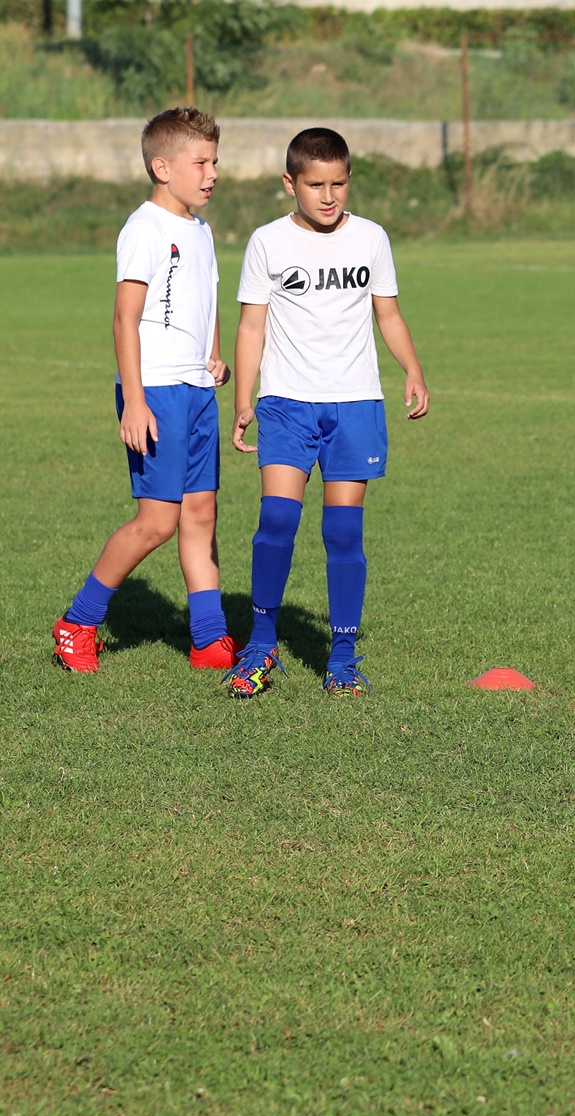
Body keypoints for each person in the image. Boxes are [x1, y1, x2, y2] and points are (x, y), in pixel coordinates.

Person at [225, 127, 430, 699]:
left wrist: (412, 369)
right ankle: (261, 647)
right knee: (277, 520)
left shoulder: (371, 237)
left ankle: (341, 658)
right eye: (315, 185)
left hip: (356, 403)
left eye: (338, 183)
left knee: (343, 530)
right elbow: (251, 325)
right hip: (286, 403)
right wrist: (243, 399)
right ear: (290, 183)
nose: (328, 195)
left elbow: (388, 314)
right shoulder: (268, 242)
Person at [53, 108, 235, 674]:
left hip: (196, 389)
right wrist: (134, 400)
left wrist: (214, 354)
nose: (212, 173)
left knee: (200, 515)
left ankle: (209, 639)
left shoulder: (201, 230)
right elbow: (124, 319)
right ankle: (78, 622)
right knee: (157, 521)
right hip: (155, 391)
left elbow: (207, 298)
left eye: (214, 161)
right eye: (200, 163)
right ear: (162, 167)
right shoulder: (144, 228)